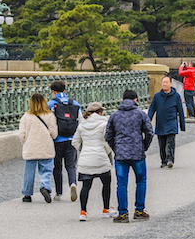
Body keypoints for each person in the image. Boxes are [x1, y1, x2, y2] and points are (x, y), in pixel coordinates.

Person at [105, 90, 154, 224]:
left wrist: (116, 148)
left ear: (122, 100)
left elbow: (108, 136)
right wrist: (144, 146)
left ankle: (123, 214)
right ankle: (139, 211)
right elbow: (150, 132)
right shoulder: (141, 114)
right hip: (137, 153)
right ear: (136, 100)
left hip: (121, 154)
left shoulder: (114, 115)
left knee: (121, 184)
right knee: (141, 181)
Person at [71, 102, 114, 221]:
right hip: (100, 158)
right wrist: (105, 151)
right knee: (106, 183)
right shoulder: (104, 123)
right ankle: (106, 209)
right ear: (100, 112)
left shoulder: (82, 125)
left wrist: (83, 149)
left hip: (86, 159)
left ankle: (83, 212)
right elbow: (108, 141)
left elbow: (75, 142)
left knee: (86, 186)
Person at [19, 93, 58, 203]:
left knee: (29, 172)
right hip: (46, 147)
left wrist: (26, 143)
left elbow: (22, 134)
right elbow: (54, 133)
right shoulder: (50, 115)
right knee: (46, 170)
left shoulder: (26, 116)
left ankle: (27, 195)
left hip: (31, 147)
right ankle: (45, 187)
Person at [48, 81, 82, 201]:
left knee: (57, 166)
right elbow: (81, 121)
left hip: (56, 140)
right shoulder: (75, 103)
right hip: (71, 139)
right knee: (71, 165)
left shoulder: (50, 104)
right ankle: (73, 183)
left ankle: (58, 193)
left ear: (53, 91)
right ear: (64, 90)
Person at [147, 76, 186, 168]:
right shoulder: (157, 96)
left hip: (171, 122)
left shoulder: (176, 96)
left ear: (170, 84)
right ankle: (163, 160)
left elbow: (180, 111)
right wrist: (147, 122)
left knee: (170, 142)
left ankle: (170, 159)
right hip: (160, 123)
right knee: (162, 143)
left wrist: (182, 125)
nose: (165, 84)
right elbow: (152, 109)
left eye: (166, 82)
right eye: (163, 82)